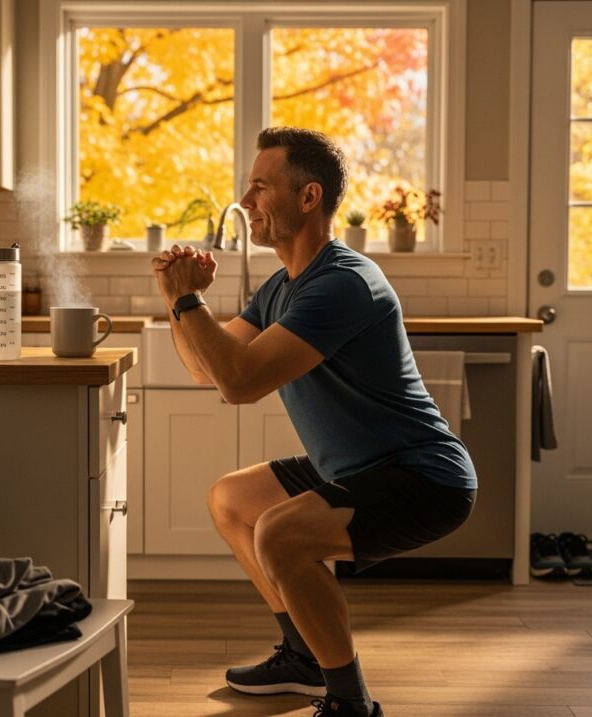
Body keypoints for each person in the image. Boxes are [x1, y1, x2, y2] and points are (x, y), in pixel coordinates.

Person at [150, 127, 478, 717]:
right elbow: (205, 369)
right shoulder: (282, 286)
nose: (246, 202)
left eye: (260, 187)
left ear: (308, 197)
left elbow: (241, 384)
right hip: (353, 466)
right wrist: (177, 299)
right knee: (232, 500)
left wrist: (191, 301)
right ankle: (303, 658)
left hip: (423, 476)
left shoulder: (343, 283)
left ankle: (351, 703)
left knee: (280, 534)